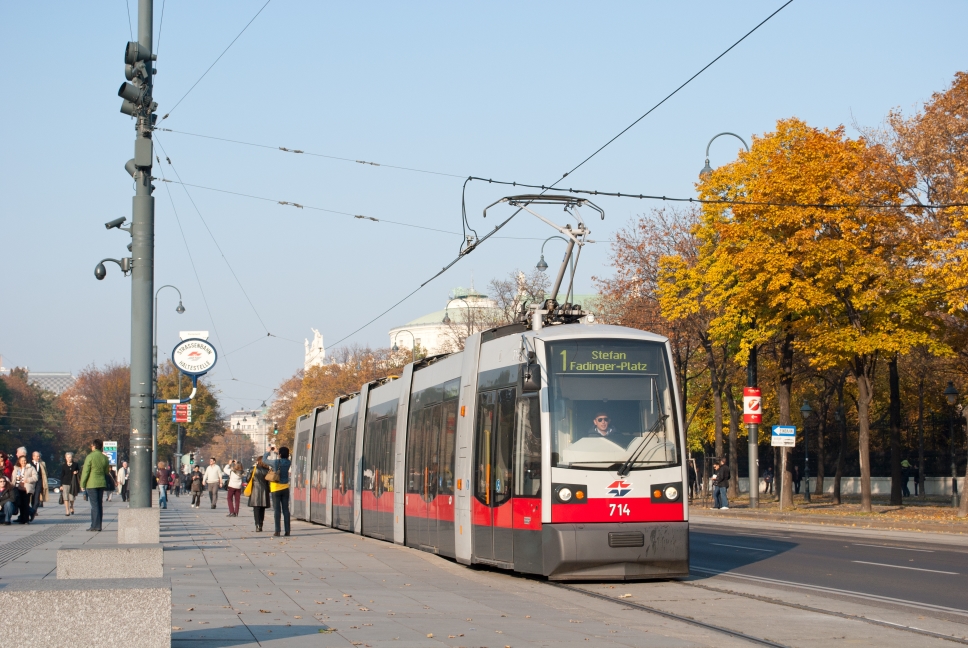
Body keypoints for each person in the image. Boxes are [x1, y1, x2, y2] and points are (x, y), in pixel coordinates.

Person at [80, 438, 111, 532]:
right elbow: (106, 471)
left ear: (94, 446)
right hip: (101, 483)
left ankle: (95, 525)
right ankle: (99, 524)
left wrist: (82, 484)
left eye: (91, 446)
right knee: (99, 504)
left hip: (91, 483)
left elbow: (85, 471)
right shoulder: (104, 458)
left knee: (94, 505)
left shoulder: (90, 457)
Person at [264, 447, 292, 537]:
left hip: (276, 488)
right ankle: (287, 531)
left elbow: (264, 460)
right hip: (285, 488)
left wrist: (268, 452)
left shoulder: (275, 462)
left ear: (279, 454)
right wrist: (278, 452)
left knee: (277, 510)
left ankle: (277, 531)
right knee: (286, 510)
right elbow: (289, 457)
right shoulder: (288, 462)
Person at [11, 456, 38, 524]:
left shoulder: (31, 468)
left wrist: (28, 480)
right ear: (19, 461)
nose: (23, 462)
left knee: (26, 504)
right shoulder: (16, 468)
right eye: (22, 461)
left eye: (25, 460)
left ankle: (26, 519)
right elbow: (13, 479)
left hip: (26, 489)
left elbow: (35, 477)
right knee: (20, 504)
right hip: (18, 488)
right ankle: (22, 518)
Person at [247, 458, 270, 532]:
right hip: (264, 490)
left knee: (256, 509)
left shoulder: (253, 469)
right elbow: (269, 481)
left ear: (258, 461)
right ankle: (261, 524)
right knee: (262, 509)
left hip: (255, 490)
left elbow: (247, 479)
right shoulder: (267, 470)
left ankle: (257, 524)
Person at [59, 452, 81, 516]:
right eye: (67, 457)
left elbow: (79, 471)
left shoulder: (75, 464)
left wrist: (76, 472)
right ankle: (67, 510)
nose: (69, 458)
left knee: (71, 498)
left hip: (72, 483)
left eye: (70, 457)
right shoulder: (64, 466)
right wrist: (61, 485)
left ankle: (71, 506)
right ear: (65, 458)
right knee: (65, 497)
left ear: (72, 458)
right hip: (65, 483)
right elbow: (62, 475)